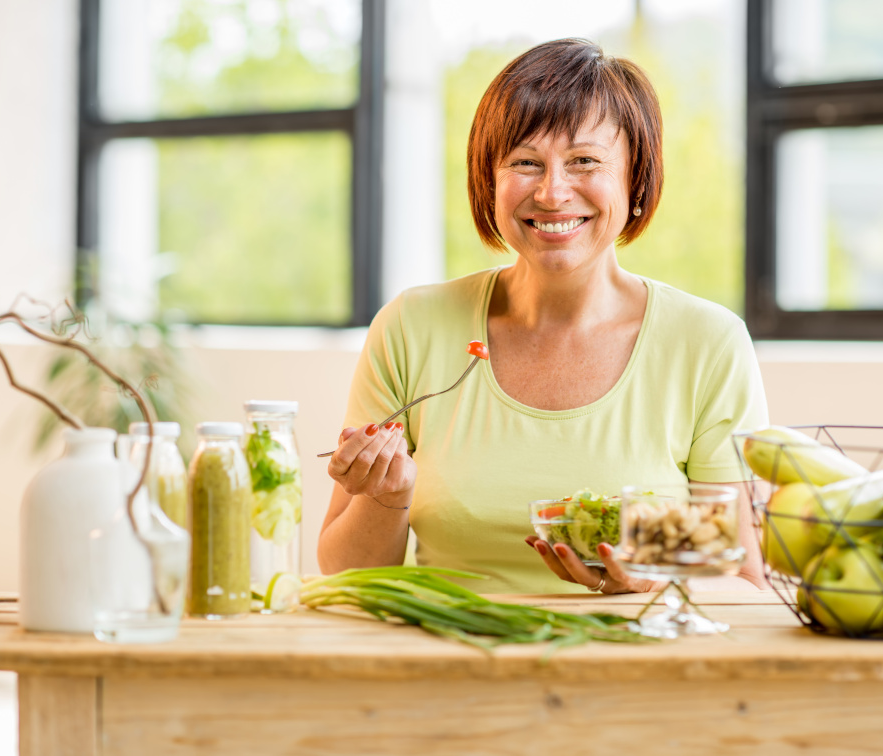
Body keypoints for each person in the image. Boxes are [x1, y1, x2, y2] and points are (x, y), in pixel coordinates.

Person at [318, 38, 768, 595]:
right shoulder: (414, 326)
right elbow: (346, 573)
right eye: (526, 163)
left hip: (631, 667)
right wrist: (387, 500)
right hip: (447, 661)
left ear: (636, 182)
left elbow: (744, 578)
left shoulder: (706, 342)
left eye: (585, 161)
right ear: (491, 183)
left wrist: (649, 581)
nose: (553, 192)